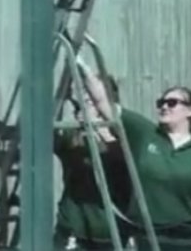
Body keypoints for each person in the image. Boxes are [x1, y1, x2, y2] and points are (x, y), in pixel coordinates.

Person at [78, 64, 191, 251]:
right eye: (161, 103)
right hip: (146, 240)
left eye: (172, 103)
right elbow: (102, 102)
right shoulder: (144, 134)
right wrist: (82, 66)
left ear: (190, 111)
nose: (164, 106)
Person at [54, 73, 134, 251]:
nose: (87, 98)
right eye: (84, 93)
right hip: (74, 226)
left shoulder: (124, 132)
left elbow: (128, 165)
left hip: (110, 228)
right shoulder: (72, 133)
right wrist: (60, 101)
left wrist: (101, 130)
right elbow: (47, 137)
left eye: (92, 95)